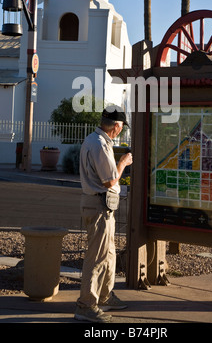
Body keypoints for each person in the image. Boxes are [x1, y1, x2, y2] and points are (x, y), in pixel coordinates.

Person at [74, 106, 133, 323]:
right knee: (97, 257)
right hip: (99, 206)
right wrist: (123, 163)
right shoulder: (100, 145)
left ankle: (105, 296)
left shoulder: (94, 140)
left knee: (108, 255)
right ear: (116, 127)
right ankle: (86, 304)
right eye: (120, 127)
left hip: (101, 206)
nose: (120, 131)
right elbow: (110, 180)